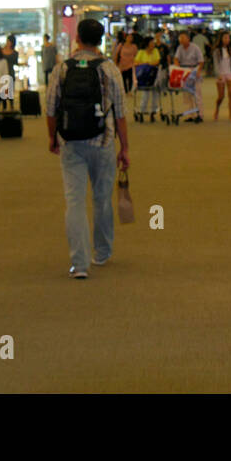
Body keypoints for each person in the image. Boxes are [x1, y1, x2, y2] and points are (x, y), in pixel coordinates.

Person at [46, 19, 130, 279]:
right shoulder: (109, 69)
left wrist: (52, 138)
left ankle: (79, 264)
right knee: (101, 197)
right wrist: (124, 148)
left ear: (78, 39)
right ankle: (102, 252)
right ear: (101, 40)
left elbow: (50, 109)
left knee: (74, 201)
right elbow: (120, 113)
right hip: (103, 141)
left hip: (71, 142)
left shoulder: (61, 69)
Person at [173, 31, 205, 122]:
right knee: (186, 96)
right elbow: (176, 58)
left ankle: (200, 114)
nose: (181, 40)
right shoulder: (180, 48)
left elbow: (201, 61)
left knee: (197, 94)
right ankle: (190, 115)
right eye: (180, 39)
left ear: (188, 39)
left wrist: (198, 71)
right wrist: (178, 68)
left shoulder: (195, 48)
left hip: (194, 70)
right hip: (184, 71)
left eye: (183, 38)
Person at [133, 35, 162, 123]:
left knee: (155, 94)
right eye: (151, 43)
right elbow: (136, 62)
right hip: (144, 76)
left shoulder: (155, 51)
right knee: (145, 94)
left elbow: (157, 61)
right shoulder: (141, 52)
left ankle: (153, 111)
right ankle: (142, 111)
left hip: (154, 75)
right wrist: (145, 64)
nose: (153, 44)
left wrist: (148, 64)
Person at [212, 30, 231, 121]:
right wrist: (218, 74)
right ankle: (217, 109)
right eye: (225, 37)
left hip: (229, 73)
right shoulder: (216, 51)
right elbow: (215, 64)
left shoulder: (230, 49)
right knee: (221, 96)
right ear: (221, 39)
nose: (227, 40)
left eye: (228, 38)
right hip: (220, 74)